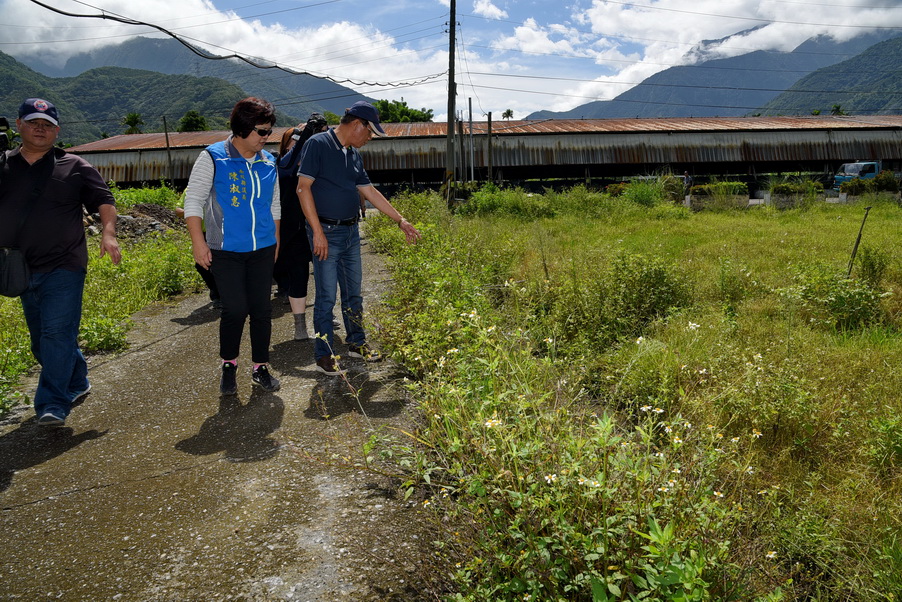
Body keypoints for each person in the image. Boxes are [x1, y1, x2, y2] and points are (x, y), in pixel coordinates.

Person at [0, 98, 121, 427]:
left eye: (47, 125)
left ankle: (52, 403)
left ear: (57, 131)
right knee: (42, 339)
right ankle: (77, 379)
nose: (40, 129)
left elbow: (104, 200)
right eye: (33, 122)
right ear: (19, 125)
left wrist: (108, 234)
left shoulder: (74, 166)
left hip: (65, 264)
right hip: (20, 267)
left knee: (55, 334)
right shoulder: (4, 164)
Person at [297, 101, 420, 376]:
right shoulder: (318, 144)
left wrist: (400, 220)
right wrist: (317, 232)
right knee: (326, 297)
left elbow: (369, 191)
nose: (370, 138)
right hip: (326, 233)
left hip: (351, 232)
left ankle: (356, 342)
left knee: (353, 293)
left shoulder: (353, 154)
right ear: (357, 125)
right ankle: (324, 354)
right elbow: (303, 189)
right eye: (370, 131)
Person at [183, 97, 282, 395]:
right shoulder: (213, 157)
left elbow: (275, 205)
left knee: (262, 310)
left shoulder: (269, 161)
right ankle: (229, 365)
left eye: (269, 131)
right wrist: (198, 243)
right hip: (226, 249)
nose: (266, 137)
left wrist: (275, 241)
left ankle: (260, 367)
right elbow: (193, 202)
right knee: (236, 309)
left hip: (263, 247)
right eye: (261, 131)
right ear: (242, 128)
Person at [274, 113, 328, 341]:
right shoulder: (279, 162)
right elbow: (288, 166)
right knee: (296, 274)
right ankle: (299, 324)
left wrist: (319, 135)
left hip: (316, 226)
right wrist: (305, 135)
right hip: (290, 229)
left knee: (322, 274)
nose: (300, 143)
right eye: (294, 139)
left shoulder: (317, 161)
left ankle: (322, 316)